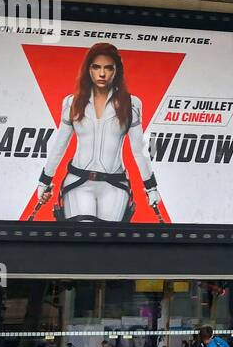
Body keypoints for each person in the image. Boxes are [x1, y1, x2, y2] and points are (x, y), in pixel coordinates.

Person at [33, 42, 161, 222]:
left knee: (108, 243)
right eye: (96, 67)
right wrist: (44, 181)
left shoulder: (132, 104)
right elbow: (59, 145)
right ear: (88, 70)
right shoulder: (72, 102)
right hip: (78, 181)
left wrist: (151, 187)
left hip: (115, 184)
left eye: (108, 68)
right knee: (81, 239)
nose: (102, 73)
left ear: (117, 71)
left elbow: (139, 150)